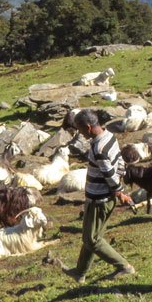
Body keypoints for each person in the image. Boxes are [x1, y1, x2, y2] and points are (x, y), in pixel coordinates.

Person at [55, 109, 135, 284]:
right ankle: (80, 272)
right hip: (104, 197)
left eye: (81, 130)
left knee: (91, 239)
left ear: (89, 127)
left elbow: (108, 173)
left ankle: (123, 266)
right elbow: (119, 163)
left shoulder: (98, 148)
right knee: (90, 235)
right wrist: (118, 189)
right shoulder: (110, 137)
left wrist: (119, 191)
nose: (80, 134)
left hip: (99, 199)